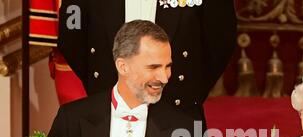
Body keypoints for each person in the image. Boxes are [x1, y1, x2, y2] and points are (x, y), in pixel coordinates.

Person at [49, 20, 196, 137]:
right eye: (153, 67)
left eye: (167, 66)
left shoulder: (185, 128)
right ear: (122, 66)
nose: (164, 77)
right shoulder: (72, 119)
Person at [57, 0, 237, 126]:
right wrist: (105, 86)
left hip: (179, 111)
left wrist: (188, 92)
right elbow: (71, 38)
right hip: (106, 112)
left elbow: (221, 39)